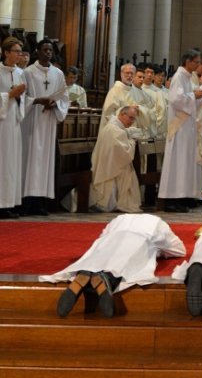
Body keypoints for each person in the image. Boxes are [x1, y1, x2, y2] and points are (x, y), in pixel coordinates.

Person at [41, 212, 186, 318]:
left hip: (110, 238)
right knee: (127, 263)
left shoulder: (118, 219)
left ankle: (85, 273)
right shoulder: (157, 224)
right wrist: (160, 252)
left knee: (99, 255)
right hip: (141, 239)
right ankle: (106, 277)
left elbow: (102, 236)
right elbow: (179, 250)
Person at [158, 48, 202, 211]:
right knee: (178, 162)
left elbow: (189, 100)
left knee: (186, 162)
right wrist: (195, 95)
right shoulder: (179, 76)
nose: (198, 65)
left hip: (187, 126)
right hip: (179, 127)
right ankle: (172, 200)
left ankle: (184, 195)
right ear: (187, 62)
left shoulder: (187, 77)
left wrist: (199, 97)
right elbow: (175, 99)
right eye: (196, 62)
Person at [21, 38, 69, 215]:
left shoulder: (58, 74)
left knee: (44, 162)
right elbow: (21, 98)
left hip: (48, 121)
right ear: (37, 51)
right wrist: (36, 100)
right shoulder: (28, 72)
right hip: (32, 121)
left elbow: (64, 97)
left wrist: (56, 104)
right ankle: (26, 202)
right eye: (45, 50)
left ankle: (40, 203)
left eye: (50, 50)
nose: (48, 53)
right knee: (30, 159)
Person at [90, 105, 142, 213]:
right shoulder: (113, 129)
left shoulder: (116, 128)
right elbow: (123, 152)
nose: (132, 121)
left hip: (112, 164)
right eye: (131, 118)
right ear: (122, 114)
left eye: (134, 119)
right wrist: (132, 141)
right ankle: (108, 203)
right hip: (109, 167)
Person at [0, 36, 26, 219]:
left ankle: (8, 203)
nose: (19, 55)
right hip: (1, 122)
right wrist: (9, 95)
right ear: (6, 52)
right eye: (16, 51)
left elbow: (22, 98)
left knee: (11, 163)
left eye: (20, 51)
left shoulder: (19, 73)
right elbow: (9, 94)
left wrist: (19, 97)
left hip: (13, 122)